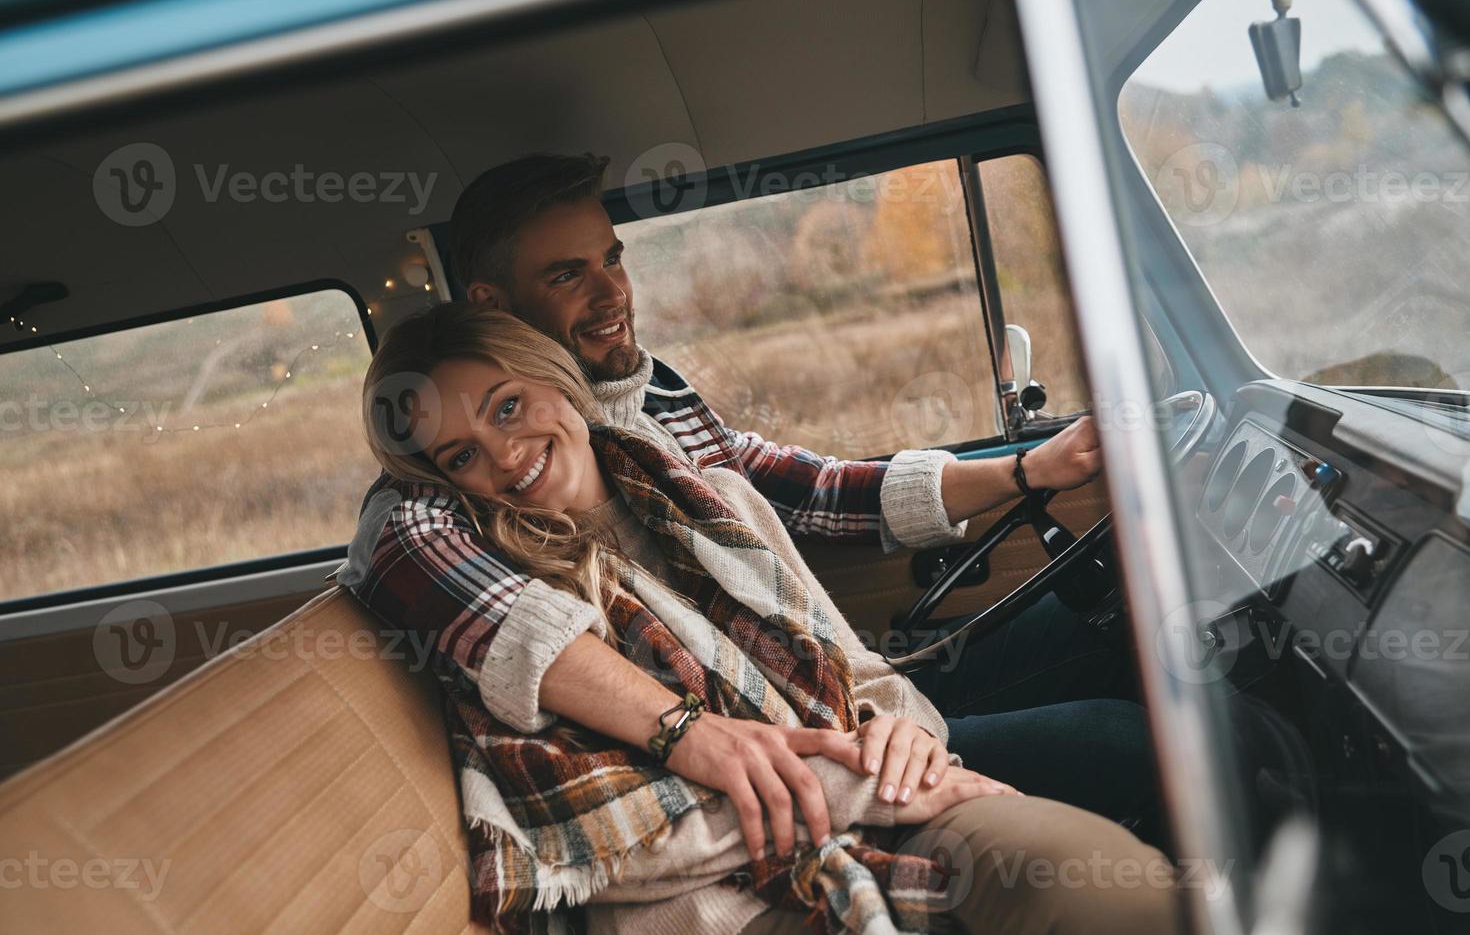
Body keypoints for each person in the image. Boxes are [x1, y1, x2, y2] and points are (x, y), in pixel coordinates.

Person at [338, 152, 1153, 843]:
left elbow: (811, 490)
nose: (612, 293)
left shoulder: (652, 404)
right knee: (1134, 747)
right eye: (567, 274)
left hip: (844, 683)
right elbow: (445, 578)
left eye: (612, 259)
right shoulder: (435, 500)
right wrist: (694, 735)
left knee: (1125, 627)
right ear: (490, 304)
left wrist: (1026, 472)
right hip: (791, 750)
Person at [357, 304, 1181, 934]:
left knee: (1107, 884)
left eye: (507, 408)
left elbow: (853, 664)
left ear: (556, 380)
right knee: (1116, 754)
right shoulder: (485, 598)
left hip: (872, 791)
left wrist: (909, 737)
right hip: (722, 898)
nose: (503, 456)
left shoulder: (710, 495)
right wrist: (864, 785)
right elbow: (606, 848)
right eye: (461, 455)